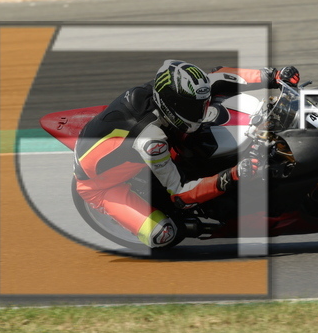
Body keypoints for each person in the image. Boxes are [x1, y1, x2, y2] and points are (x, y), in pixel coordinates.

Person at [73, 59, 300, 248]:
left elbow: (218, 76)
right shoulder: (151, 140)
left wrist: (274, 75)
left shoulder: (169, 90)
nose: (202, 111)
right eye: (194, 108)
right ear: (172, 105)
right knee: (165, 234)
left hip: (116, 139)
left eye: (202, 104)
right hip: (99, 186)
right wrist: (233, 174)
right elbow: (180, 194)